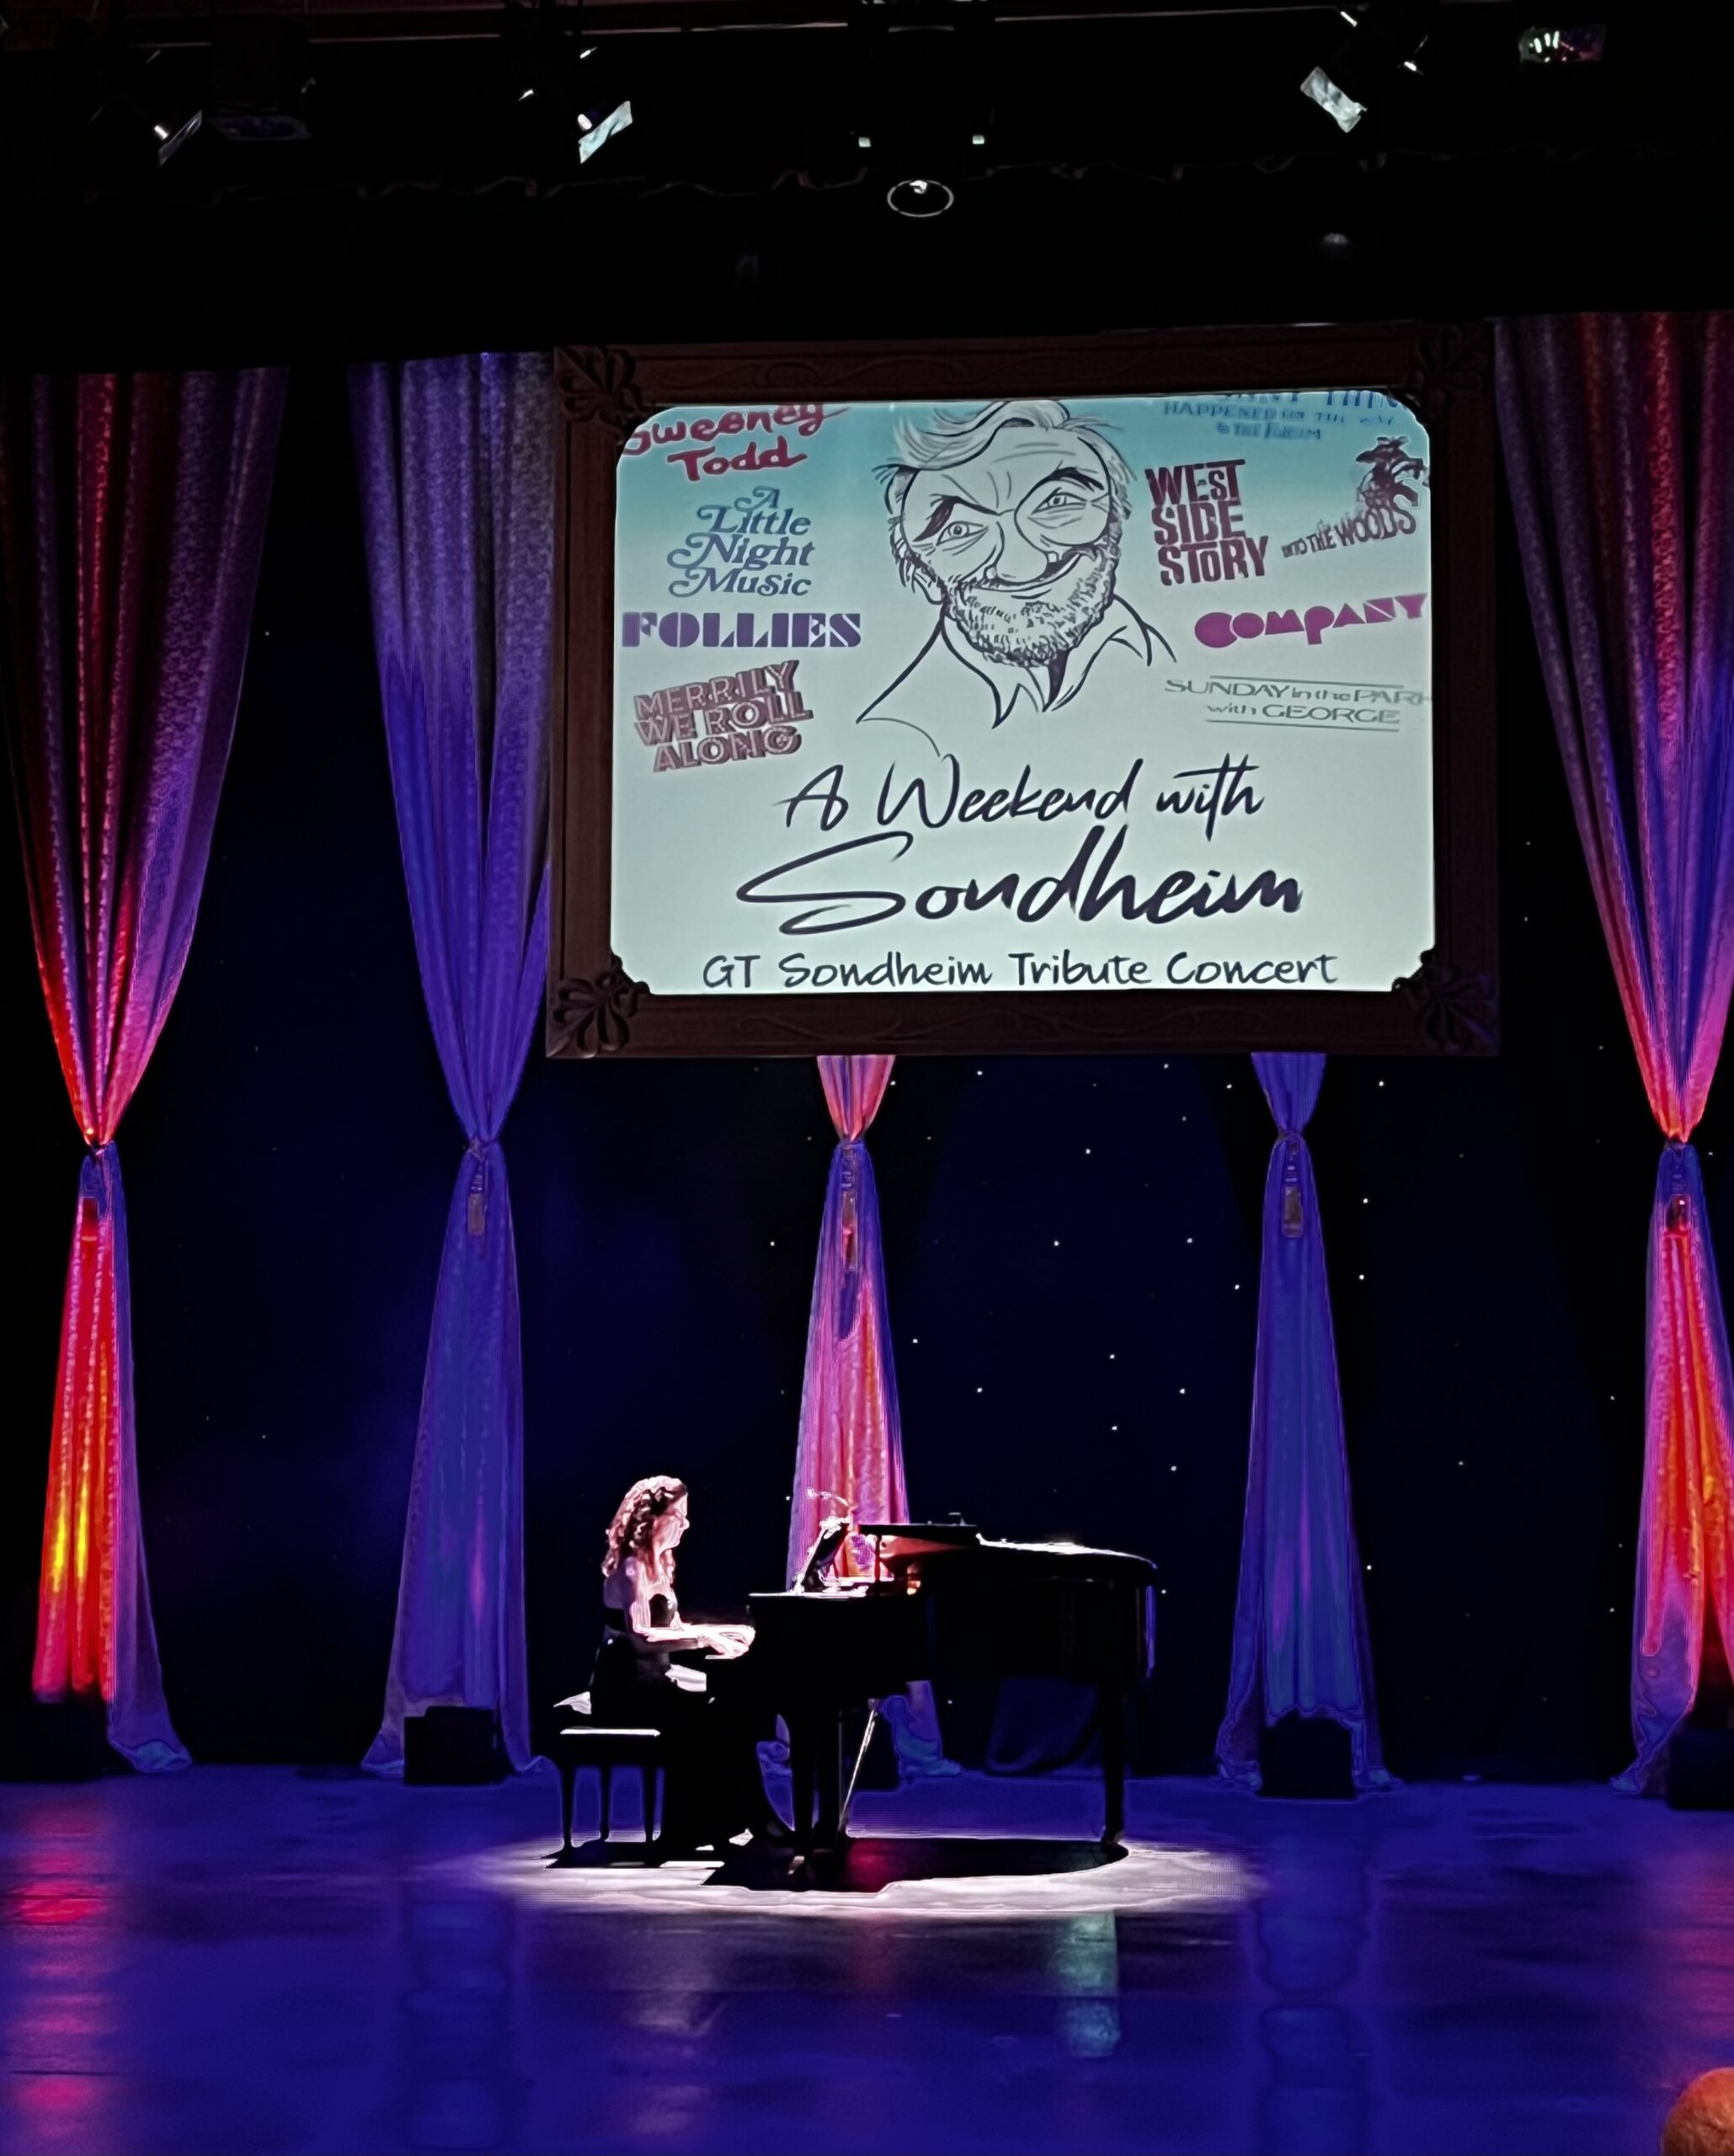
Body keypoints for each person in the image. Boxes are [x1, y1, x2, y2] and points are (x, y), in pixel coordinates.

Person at [861, 397, 1171, 744]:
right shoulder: (902, 733)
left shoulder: (1171, 663)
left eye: (1057, 503)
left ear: (1116, 518)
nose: (1022, 566)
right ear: (923, 576)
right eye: (960, 531)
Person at [591, 1475, 770, 1855]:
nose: (686, 1525)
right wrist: (705, 1639)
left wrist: (728, 1629)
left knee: (727, 1707)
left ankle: (735, 1821)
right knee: (710, 1713)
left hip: (653, 1676)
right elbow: (641, 1638)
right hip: (625, 1682)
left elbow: (674, 1628)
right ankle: (703, 1827)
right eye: (679, 1516)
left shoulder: (659, 1565)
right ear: (652, 1518)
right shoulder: (632, 1569)